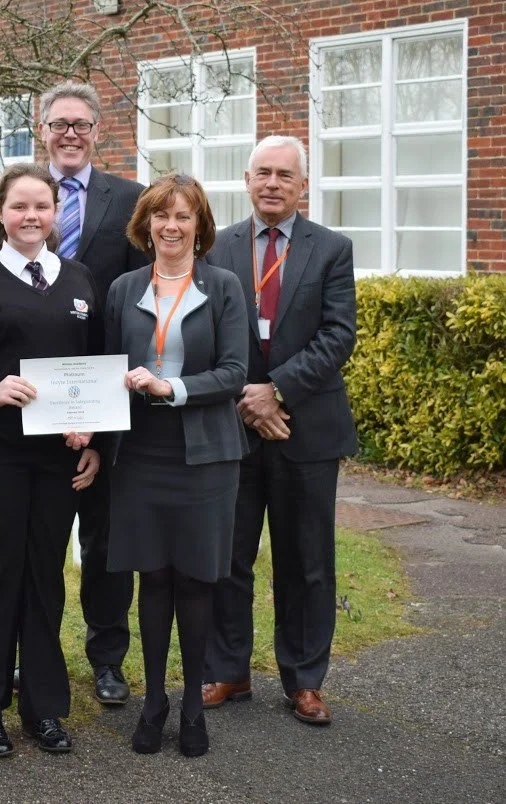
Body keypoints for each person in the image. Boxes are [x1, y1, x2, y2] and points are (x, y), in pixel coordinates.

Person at [0, 163, 103, 758]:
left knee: (45, 575)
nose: (31, 216)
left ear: (56, 213)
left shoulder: (80, 280)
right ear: (0, 213)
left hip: (60, 457)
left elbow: (96, 368)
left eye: (41, 206)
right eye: (19, 206)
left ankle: (43, 706)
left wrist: (94, 437)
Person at [202, 135, 358, 725]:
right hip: (232, 425)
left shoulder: (332, 249)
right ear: (246, 180)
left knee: (307, 560)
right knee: (228, 555)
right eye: (262, 173)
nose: (272, 183)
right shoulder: (216, 247)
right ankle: (229, 670)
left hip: (306, 429)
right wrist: (247, 396)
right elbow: (206, 332)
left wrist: (278, 390)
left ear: (303, 186)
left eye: (284, 175)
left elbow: (338, 335)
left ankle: (304, 680)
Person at [105, 174, 247, 758]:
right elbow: (106, 365)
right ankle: (154, 701)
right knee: (153, 578)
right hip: (139, 454)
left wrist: (172, 387)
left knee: (194, 579)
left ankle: (192, 705)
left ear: (199, 226)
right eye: (161, 215)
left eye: (183, 216)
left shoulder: (224, 285)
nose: (171, 226)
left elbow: (235, 372)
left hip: (204, 457)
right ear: (145, 224)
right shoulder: (124, 288)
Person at [37, 81, 147, 705]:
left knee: (105, 542)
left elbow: (137, 302)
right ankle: (34, 652)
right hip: (34, 396)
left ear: (97, 131)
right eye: (60, 123)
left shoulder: (129, 200)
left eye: (81, 124)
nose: (70, 134)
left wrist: (104, 426)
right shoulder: (22, 192)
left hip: (106, 394)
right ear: (43, 130)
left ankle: (108, 657)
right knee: (37, 541)